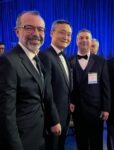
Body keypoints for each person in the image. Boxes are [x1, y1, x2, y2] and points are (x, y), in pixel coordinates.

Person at [0, 10, 59, 150]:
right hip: (23, 141)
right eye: (29, 27)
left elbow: (43, 95)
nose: (36, 33)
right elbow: (6, 115)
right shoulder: (8, 62)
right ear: (17, 31)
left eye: (40, 29)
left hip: (40, 136)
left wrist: (53, 121)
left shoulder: (36, 58)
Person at [69, 29, 111, 150]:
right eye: (81, 38)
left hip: (96, 110)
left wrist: (106, 108)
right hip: (78, 110)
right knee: (81, 142)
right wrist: (70, 101)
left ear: (90, 40)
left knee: (96, 142)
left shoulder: (101, 61)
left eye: (87, 38)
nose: (84, 40)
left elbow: (106, 86)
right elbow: (69, 86)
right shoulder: (69, 61)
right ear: (76, 41)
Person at [40, 20, 72, 150]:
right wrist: (54, 120)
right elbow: (46, 92)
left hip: (64, 115)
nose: (66, 37)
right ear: (51, 33)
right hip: (54, 119)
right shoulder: (45, 56)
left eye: (69, 34)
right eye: (62, 33)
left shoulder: (65, 56)